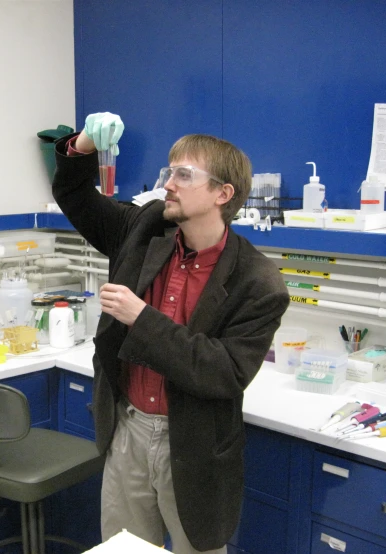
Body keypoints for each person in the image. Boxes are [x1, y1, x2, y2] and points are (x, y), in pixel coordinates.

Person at [51, 113, 290, 553]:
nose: (168, 184)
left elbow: (224, 371)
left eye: (183, 174)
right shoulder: (143, 229)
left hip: (195, 446)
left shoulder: (258, 282)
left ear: (223, 193)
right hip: (129, 428)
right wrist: (83, 144)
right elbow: (74, 195)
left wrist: (142, 319)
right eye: (168, 171)